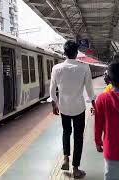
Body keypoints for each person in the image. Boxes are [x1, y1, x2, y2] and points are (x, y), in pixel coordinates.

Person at [50, 40, 95, 179]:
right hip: (79, 108)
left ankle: (65, 158)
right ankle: (75, 169)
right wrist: (93, 103)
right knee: (78, 138)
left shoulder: (56, 68)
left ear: (65, 53)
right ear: (76, 53)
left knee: (66, 132)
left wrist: (54, 104)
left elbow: (52, 89)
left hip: (64, 107)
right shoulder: (84, 68)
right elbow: (89, 89)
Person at [95, 61, 119, 180]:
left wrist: (98, 142)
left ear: (108, 79)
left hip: (111, 149)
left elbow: (98, 125)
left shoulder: (102, 99)